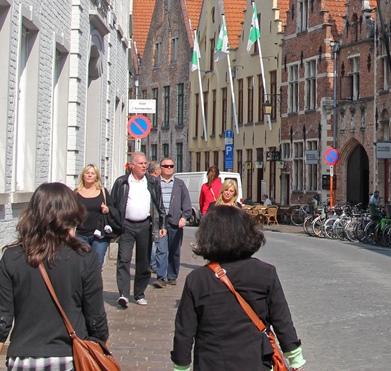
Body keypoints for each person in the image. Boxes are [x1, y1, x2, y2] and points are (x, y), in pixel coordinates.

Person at [0, 183, 109, 370]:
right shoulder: (84, 257)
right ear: (71, 213)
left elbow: (1, 318)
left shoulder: (13, 257)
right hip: (70, 358)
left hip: (23, 358)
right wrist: (103, 353)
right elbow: (95, 317)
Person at [171, 205, 305, 371]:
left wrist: (180, 367)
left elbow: (184, 332)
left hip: (211, 363)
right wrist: (295, 360)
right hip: (255, 361)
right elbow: (282, 321)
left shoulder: (197, 280)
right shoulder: (265, 273)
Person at [109, 152, 166, 308]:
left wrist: (162, 226)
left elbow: (159, 205)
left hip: (144, 226)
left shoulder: (152, 182)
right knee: (124, 259)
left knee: (144, 261)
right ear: (132, 165)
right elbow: (113, 205)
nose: (143, 166)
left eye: (145, 163)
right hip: (126, 226)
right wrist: (114, 225)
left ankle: (139, 294)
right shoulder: (122, 182)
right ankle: (123, 295)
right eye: (140, 163)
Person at [154, 157, 193, 288]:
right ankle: (160, 277)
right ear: (161, 168)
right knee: (162, 250)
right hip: (160, 223)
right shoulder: (154, 183)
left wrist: (184, 217)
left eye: (171, 166)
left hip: (175, 222)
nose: (169, 168)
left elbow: (187, 204)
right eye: (166, 166)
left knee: (174, 250)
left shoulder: (180, 184)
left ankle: (172, 275)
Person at [75, 163, 112, 267]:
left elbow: (113, 209)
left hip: (99, 235)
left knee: (96, 265)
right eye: (87, 173)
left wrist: (107, 209)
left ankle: (95, 283)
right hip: (81, 235)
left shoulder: (103, 192)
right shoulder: (76, 193)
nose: (90, 175)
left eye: (93, 173)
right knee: (83, 265)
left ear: (97, 177)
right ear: (83, 175)